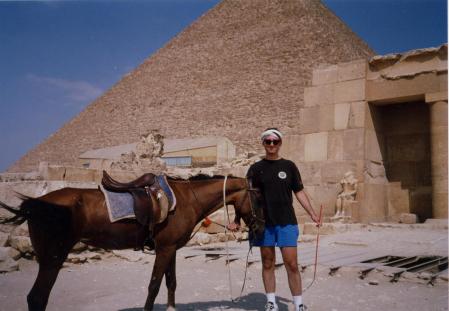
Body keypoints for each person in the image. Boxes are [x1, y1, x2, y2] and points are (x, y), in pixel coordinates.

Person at [228, 128, 320, 311]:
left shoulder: (289, 166)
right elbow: (245, 197)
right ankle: (271, 302)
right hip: (264, 223)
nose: (271, 144)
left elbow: (299, 191)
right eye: (268, 141)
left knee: (292, 264)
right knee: (267, 262)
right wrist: (237, 220)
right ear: (263, 143)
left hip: (286, 221)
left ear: (280, 143)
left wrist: (311, 212)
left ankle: (298, 304)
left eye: (275, 141)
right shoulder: (255, 169)